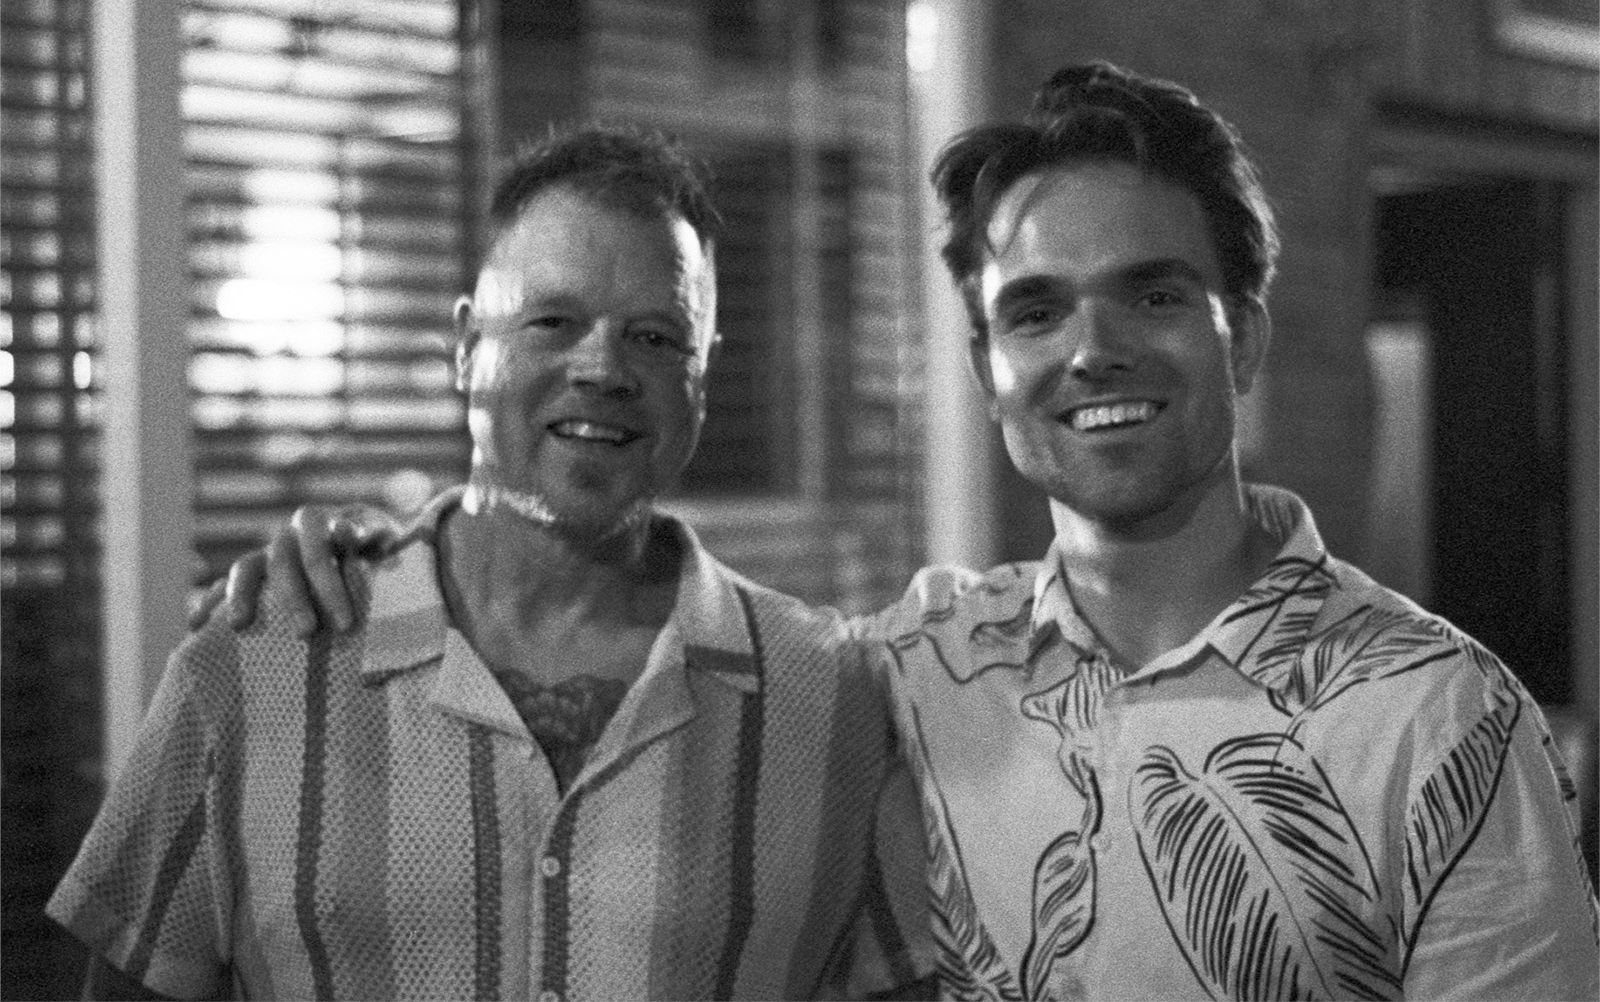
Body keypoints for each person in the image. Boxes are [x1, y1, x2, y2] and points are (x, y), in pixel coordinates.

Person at [203, 63, 1600, 1000]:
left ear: (1246, 335)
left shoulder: (1437, 716)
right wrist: (383, 564)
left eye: (1155, 293)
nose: (1093, 348)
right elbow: (639, 624)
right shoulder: (908, 666)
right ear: (989, 366)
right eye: (1035, 309)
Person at [47, 127, 933, 1000]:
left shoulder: (839, 703)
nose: (603, 367)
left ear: (702, 376)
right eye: (553, 321)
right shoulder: (257, 665)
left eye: (656, 337)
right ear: (468, 348)